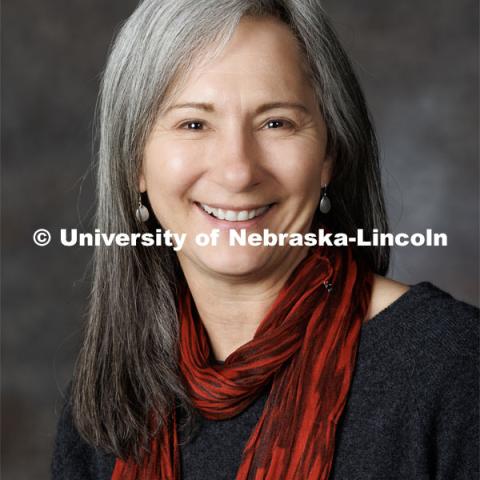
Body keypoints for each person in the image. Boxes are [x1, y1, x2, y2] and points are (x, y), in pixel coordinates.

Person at [51, 1, 479, 479]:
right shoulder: (109, 400)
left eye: (276, 123)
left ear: (328, 155)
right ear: (135, 164)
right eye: (194, 124)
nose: (238, 171)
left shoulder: (455, 367)